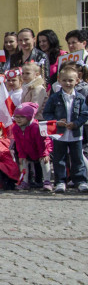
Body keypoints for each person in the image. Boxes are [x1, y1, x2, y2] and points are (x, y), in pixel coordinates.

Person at [43, 65, 88, 193]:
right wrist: (57, 122)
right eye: (64, 80)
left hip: (75, 133)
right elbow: (47, 113)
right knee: (59, 158)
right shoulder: (54, 97)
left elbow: (85, 113)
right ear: (59, 80)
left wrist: (76, 123)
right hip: (60, 134)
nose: (68, 83)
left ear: (77, 81)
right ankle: (60, 181)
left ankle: (81, 181)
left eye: (71, 80)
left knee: (77, 158)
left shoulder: (80, 97)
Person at [11, 102, 52, 191]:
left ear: (29, 117)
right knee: (23, 161)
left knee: (44, 161)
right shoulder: (16, 128)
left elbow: (43, 142)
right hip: (28, 151)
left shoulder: (36, 127)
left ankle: (47, 181)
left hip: (41, 151)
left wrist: (44, 154)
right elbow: (18, 143)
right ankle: (25, 181)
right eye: (16, 117)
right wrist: (22, 155)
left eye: (22, 117)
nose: (18, 119)